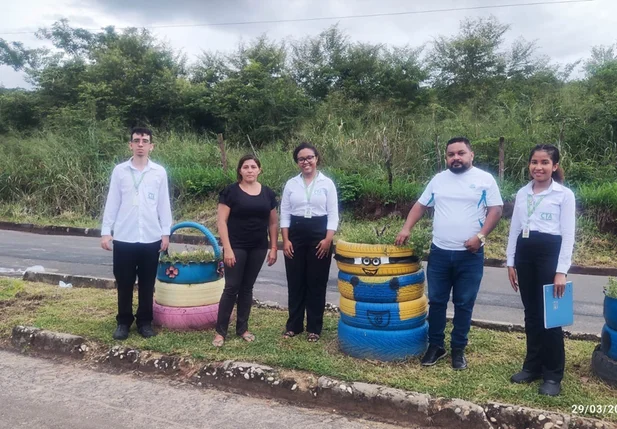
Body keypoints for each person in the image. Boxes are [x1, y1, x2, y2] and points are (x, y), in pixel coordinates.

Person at [395, 136, 503, 369]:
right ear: (446, 157)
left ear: (471, 155)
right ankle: (436, 346)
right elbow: (420, 205)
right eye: (451, 154)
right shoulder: (438, 180)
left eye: (460, 153)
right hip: (440, 253)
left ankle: (458, 349)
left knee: (464, 303)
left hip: (470, 255)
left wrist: (480, 237)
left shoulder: (485, 179)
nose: (456, 158)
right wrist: (406, 228)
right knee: (437, 302)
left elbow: (496, 210)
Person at [506, 144, 575, 396]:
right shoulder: (523, 193)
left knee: (551, 317)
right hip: (524, 254)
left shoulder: (564, 195)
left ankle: (553, 375)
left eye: (545, 162)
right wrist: (510, 261)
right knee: (531, 314)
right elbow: (514, 229)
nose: (539, 167)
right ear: (529, 165)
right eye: (534, 162)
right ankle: (532, 366)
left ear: (554, 166)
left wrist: (561, 271)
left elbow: (568, 235)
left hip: (550, 254)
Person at [101, 127, 172, 340]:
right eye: (136, 140)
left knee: (147, 283)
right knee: (124, 282)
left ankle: (144, 322)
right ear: (130, 144)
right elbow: (112, 202)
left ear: (152, 146)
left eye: (145, 140)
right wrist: (106, 231)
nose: (140, 144)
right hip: (124, 237)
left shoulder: (159, 172)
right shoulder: (120, 171)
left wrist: (165, 232)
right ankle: (123, 321)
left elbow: (163, 205)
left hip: (151, 237)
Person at [212, 155, 278, 347]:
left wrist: (273, 248)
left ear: (259, 170)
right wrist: (228, 249)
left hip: (258, 247)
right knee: (231, 287)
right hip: (236, 246)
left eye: (253, 167)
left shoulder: (268, 193)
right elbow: (221, 222)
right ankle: (220, 332)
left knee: (247, 288)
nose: (250, 170)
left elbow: (273, 223)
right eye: (246, 167)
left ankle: (242, 328)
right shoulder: (230, 192)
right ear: (240, 170)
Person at [280, 142, 339, 342]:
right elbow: (285, 214)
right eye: (301, 159)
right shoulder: (291, 184)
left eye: (309, 157)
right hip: (295, 233)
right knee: (295, 280)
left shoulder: (327, 183)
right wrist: (285, 240)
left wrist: (327, 240)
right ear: (297, 162)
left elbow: (333, 215)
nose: (306, 162)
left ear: (316, 159)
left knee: (316, 281)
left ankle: (314, 327)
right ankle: (294, 325)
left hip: (320, 234)